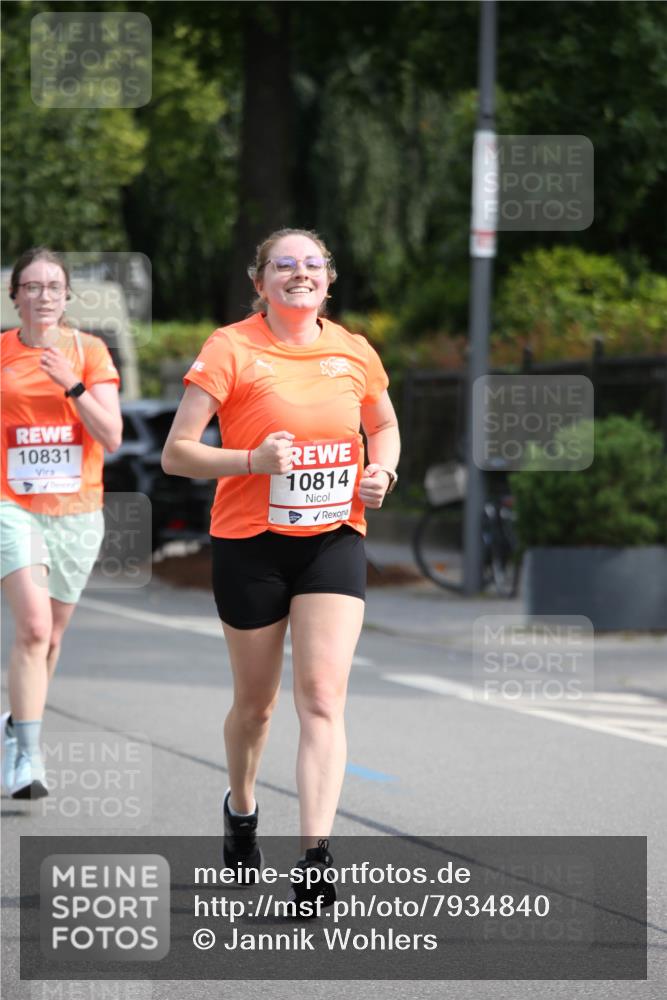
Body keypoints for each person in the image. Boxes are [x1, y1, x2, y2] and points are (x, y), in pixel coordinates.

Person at [162, 227, 400, 909]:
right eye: (283, 265)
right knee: (257, 707)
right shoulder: (230, 347)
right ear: (259, 281)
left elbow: (381, 425)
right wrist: (250, 462)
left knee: (323, 697)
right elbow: (178, 454)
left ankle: (315, 857)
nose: (299, 273)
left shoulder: (352, 350)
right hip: (250, 540)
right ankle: (241, 810)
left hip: (332, 537)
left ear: (330, 279)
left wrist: (380, 468)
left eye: (311, 264)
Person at [1, 247, 122, 799]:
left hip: (77, 512)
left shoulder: (90, 351)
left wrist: (72, 384)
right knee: (32, 629)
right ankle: (27, 756)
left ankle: (14, 725)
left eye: (53, 286)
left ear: (66, 296)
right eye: (32, 286)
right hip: (12, 505)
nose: (43, 295)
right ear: (16, 296)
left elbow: (112, 436)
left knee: (52, 637)